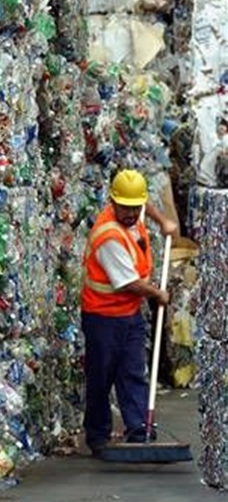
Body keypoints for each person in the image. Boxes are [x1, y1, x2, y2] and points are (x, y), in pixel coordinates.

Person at [80, 169, 177, 456]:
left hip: (129, 314)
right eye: (126, 208)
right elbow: (128, 282)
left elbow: (144, 204)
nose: (132, 213)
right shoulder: (109, 235)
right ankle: (97, 436)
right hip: (102, 316)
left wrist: (163, 222)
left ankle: (139, 429)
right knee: (102, 375)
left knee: (133, 370)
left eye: (136, 208)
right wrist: (158, 294)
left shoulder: (133, 211)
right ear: (113, 203)